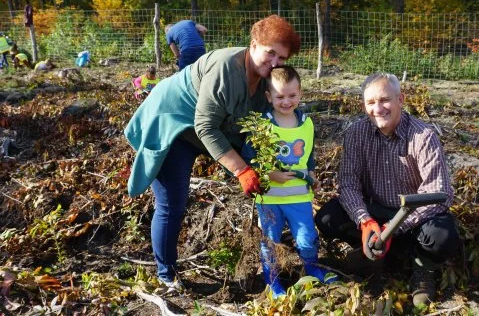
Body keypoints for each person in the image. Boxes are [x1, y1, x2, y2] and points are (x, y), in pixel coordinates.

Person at [124, 15, 301, 292]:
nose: (275, 62)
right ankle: (166, 275)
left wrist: (270, 168)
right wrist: (242, 170)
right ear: (254, 44)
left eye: (282, 57)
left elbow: (253, 129)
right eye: (270, 52)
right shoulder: (225, 69)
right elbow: (205, 126)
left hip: (208, 129)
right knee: (173, 202)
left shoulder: (266, 81)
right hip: (175, 125)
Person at [314, 73, 459, 307]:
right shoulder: (356, 133)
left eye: (385, 100)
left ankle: (423, 268)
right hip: (376, 210)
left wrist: (394, 228)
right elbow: (349, 184)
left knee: (443, 236)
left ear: (400, 99)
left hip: (414, 217)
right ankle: (373, 251)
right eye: (371, 103)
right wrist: (365, 222)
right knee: (327, 218)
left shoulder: (423, 136)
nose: (378, 108)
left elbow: (439, 194)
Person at [241, 66, 338, 299]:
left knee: (306, 237)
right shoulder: (261, 126)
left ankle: (312, 268)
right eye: (280, 96)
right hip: (270, 198)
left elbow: (309, 155)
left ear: (300, 94)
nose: (286, 101)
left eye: (292, 96)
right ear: (268, 97)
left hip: (299, 196)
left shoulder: (306, 123)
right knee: (271, 241)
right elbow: (248, 159)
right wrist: (269, 174)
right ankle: (273, 282)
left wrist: (312, 174)